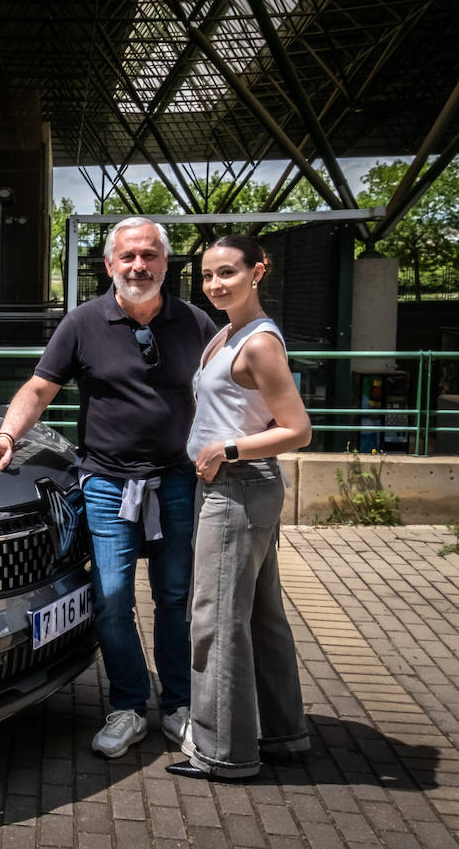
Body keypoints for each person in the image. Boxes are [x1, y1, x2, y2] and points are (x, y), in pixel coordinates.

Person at [0, 216, 216, 758]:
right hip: (105, 482)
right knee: (111, 598)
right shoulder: (82, 323)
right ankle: (128, 705)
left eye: (149, 255)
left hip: (176, 480)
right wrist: (7, 435)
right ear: (109, 265)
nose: (138, 266)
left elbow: (228, 393)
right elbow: (38, 387)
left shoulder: (195, 324)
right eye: (127, 257)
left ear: (166, 264)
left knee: (175, 598)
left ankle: (178, 706)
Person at [166, 235, 312, 781]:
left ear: (258, 271)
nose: (214, 284)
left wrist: (226, 449)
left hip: (237, 487)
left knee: (216, 620)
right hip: (240, 489)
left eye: (227, 272)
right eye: (207, 275)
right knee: (262, 615)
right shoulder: (228, 332)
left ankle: (222, 752)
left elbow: (298, 430)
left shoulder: (258, 344)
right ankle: (282, 733)